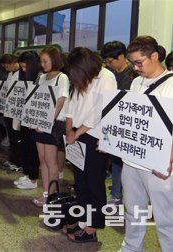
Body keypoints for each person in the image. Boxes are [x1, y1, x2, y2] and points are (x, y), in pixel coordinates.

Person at [121, 36, 173, 252]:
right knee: (133, 210)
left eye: (139, 62)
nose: (135, 67)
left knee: (165, 216)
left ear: (155, 56)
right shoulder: (136, 82)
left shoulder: (171, 84)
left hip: (159, 162)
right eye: (132, 62)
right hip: (132, 160)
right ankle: (132, 248)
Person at [64, 47, 117, 243]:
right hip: (76, 134)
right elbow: (71, 105)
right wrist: (69, 129)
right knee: (80, 183)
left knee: (94, 184)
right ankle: (83, 219)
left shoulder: (106, 77)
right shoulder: (81, 78)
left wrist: (76, 132)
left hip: (94, 137)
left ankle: (92, 228)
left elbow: (99, 111)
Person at [31, 46, 69, 206]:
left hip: (53, 124)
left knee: (51, 161)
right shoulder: (42, 77)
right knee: (42, 159)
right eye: (41, 61)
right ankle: (45, 192)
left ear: (54, 60)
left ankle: (51, 195)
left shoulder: (62, 78)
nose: (43, 64)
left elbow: (60, 101)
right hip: (40, 122)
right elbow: (37, 99)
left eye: (45, 60)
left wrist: (47, 121)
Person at [100, 41, 137, 205]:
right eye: (107, 62)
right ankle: (116, 193)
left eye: (111, 61)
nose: (109, 64)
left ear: (121, 56)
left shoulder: (134, 75)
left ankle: (124, 195)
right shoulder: (109, 74)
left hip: (130, 125)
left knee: (126, 164)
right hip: (114, 123)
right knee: (116, 160)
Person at [14, 51, 41, 190]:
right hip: (25, 117)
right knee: (25, 146)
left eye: (25, 67)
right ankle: (27, 174)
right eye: (22, 67)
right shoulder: (25, 77)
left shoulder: (40, 77)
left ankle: (33, 178)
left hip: (34, 119)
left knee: (32, 150)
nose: (23, 70)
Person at [0, 54, 23, 172]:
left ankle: (18, 162)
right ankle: (12, 159)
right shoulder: (9, 74)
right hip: (8, 109)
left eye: (7, 66)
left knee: (17, 137)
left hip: (17, 111)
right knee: (11, 137)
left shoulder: (22, 74)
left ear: (12, 63)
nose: (5, 69)